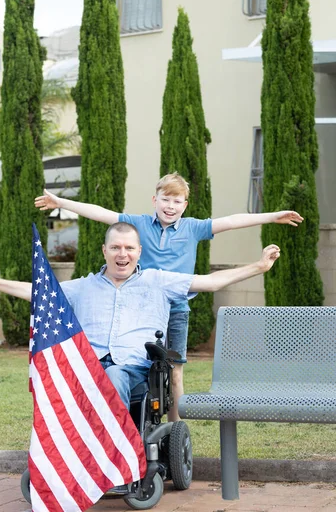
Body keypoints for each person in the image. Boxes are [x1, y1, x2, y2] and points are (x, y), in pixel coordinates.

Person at [34, 174, 302, 420]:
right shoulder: (138, 224)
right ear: (155, 200)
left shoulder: (193, 228)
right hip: (141, 311)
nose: (170, 206)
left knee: (174, 373)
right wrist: (60, 201)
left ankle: (175, 429)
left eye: (177, 201)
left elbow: (231, 221)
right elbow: (100, 213)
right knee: (131, 365)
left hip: (176, 309)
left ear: (185, 205)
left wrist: (272, 216)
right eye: (165, 199)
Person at [0, 222, 280, 410]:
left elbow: (210, 281)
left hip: (134, 368)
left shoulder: (159, 280)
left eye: (129, 248)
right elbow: (39, 291)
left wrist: (259, 266)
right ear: (104, 250)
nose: (122, 254)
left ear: (139, 251)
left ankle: (111, 452)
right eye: (115, 247)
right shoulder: (83, 286)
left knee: (113, 375)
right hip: (87, 366)